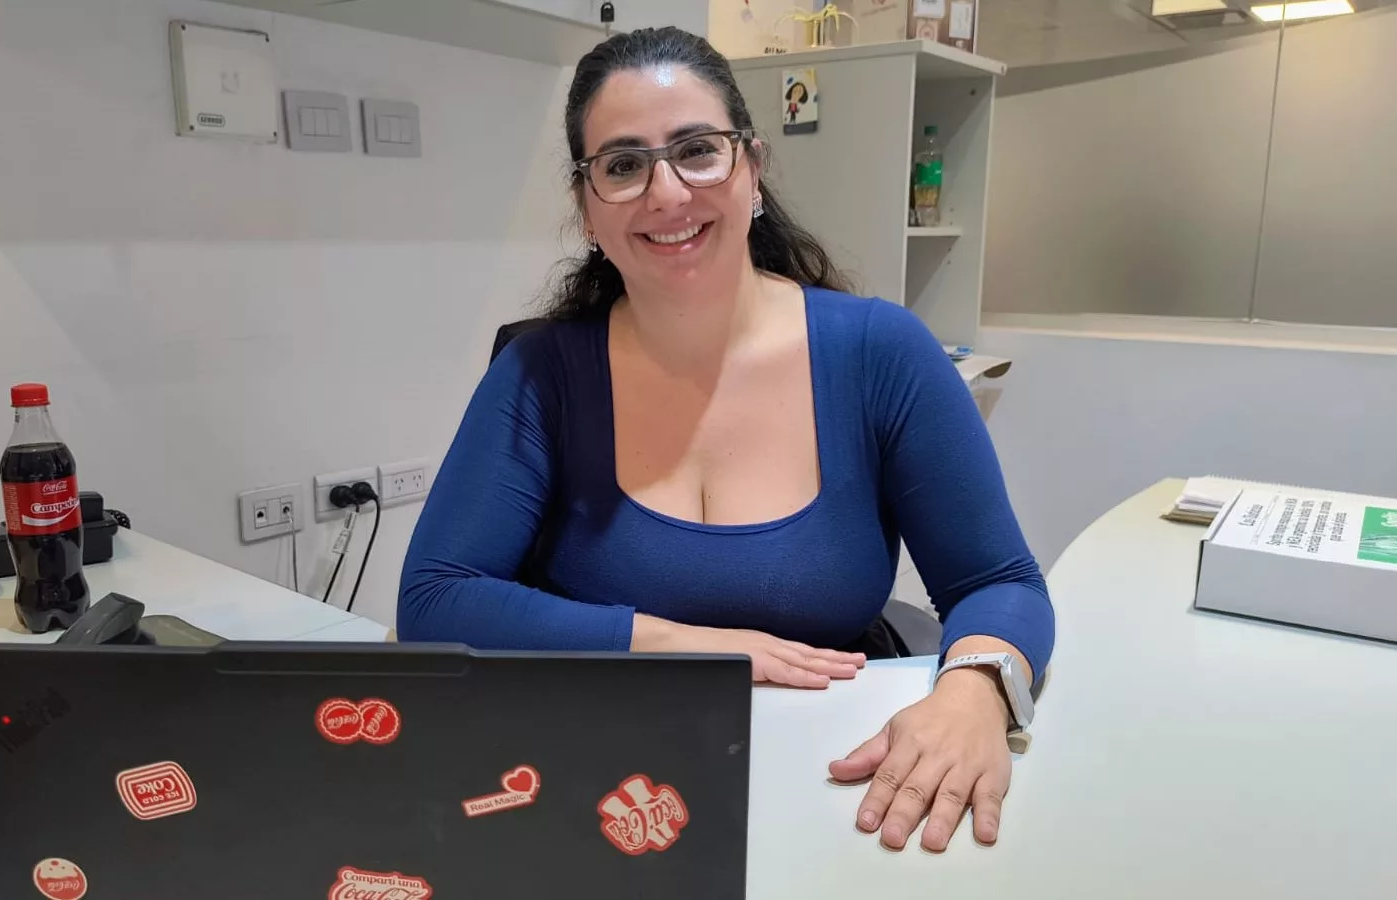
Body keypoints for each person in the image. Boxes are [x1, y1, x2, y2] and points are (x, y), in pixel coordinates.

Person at [398, 27, 1054, 854]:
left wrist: (975, 691)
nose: (666, 192)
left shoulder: (880, 352)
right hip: (599, 789)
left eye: (697, 151)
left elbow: (999, 581)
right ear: (587, 207)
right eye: (624, 165)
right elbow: (435, 599)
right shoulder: (541, 374)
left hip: (835, 783)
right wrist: (691, 646)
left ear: (752, 168)